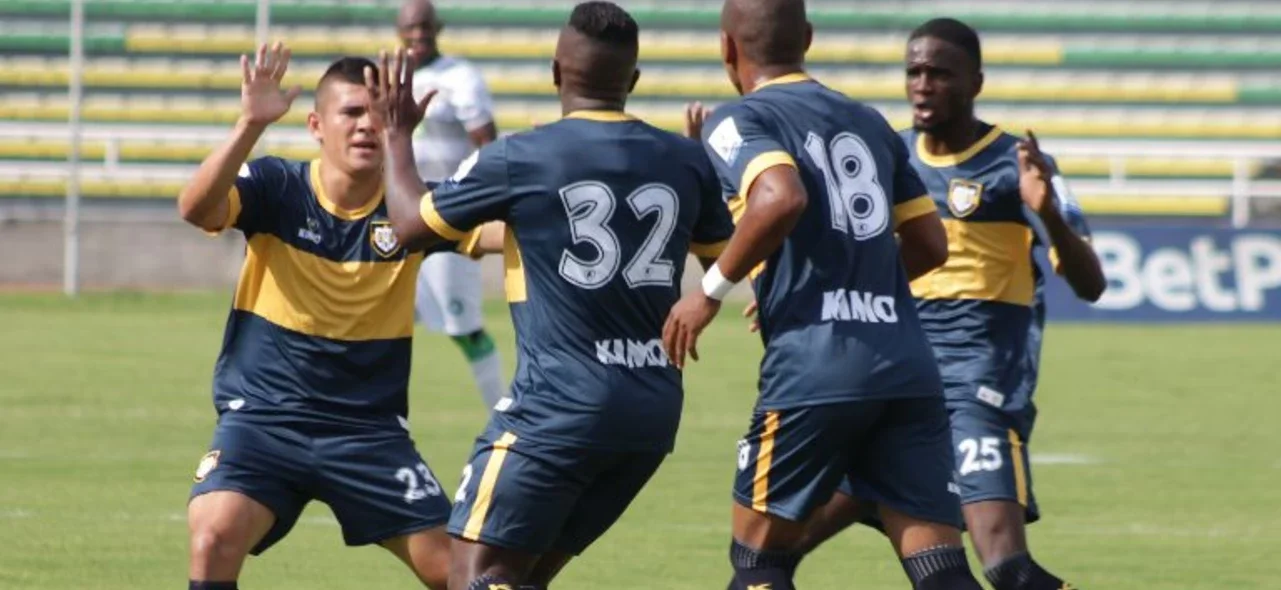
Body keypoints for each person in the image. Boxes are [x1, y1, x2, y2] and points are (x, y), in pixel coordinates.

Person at [366, 2, 736, 588]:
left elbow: (409, 226)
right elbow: (724, 255)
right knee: (523, 576)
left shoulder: (523, 156)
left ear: (556, 72)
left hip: (558, 409)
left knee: (475, 574)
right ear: (633, 81)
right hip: (650, 414)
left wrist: (396, 136)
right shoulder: (684, 159)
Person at [662, 0, 986, 588]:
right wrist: (831, 282)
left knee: (758, 563)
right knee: (940, 568)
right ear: (807, 38)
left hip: (817, 369)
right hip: (906, 366)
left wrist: (707, 292)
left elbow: (781, 197)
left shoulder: (737, 120)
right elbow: (931, 246)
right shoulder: (870, 122)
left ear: (727, 48)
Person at [786, 18, 1106, 590]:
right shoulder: (889, 156)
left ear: (975, 82)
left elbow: (1091, 282)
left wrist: (1049, 213)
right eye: (914, 72)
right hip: (893, 385)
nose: (923, 85)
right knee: (773, 549)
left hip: (977, 390)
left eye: (939, 73)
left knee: (1008, 567)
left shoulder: (1018, 163)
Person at [177, 43, 499, 590]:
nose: (366, 126)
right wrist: (249, 124)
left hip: (367, 432)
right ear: (316, 125)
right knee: (213, 535)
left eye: (379, 113)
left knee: (461, 574)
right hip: (264, 422)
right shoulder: (279, 188)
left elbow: (504, 235)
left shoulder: (415, 211)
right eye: (351, 112)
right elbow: (196, 208)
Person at [398, 0, 507, 410]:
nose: (418, 35)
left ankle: (504, 411)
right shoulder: (388, 73)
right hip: (395, 216)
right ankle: (378, 417)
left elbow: (488, 146)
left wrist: (483, 205)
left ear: (437, 27)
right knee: (379, 323)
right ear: (399, 30)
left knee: (464, 327)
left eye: (425, 27)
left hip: (446, 213)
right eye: (410, 28)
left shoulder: (459, 78)